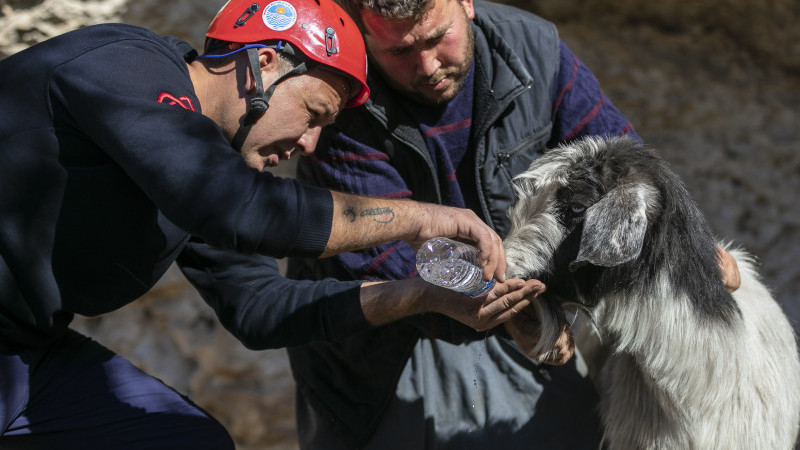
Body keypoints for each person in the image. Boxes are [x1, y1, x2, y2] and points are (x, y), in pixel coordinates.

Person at [0, 0, 538, 447]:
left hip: (24, 354)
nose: (308, 143)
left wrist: (418, 295)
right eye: (314, 112)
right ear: (264, 63)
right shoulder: (125, 64)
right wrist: (417, 218)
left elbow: (258, 307)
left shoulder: (207, 171)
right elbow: (239, 208)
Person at [286, 0, 742, 448]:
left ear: (465, 3)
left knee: (581, 434)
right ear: (363, 35)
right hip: (385, 351)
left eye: (436, 38)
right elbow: (397, 264)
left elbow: (620, 162)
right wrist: (524, 315)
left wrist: (684, 243)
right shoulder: (341, 97)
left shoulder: (534, 50)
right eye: (399, 52)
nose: (426, 66)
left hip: (516, 301)